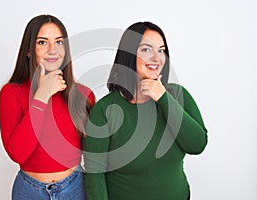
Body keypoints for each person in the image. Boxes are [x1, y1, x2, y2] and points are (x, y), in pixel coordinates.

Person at [83, 21, 208, 200]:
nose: (156, 58)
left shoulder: (178, 95)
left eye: (161, 50)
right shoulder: (105, 110)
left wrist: (163, 98)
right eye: (146, 49)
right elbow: (95, 175)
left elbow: (197, 145)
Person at [0, 14, 95, 200]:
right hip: (29, 191)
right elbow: (18, 153)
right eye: (43, 42)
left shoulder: (84, 95)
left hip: (75, 188)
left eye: (59, 42)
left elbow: (96, 157)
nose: (53, 50)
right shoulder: (11, 93)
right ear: (28, 50)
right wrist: (41, 96)